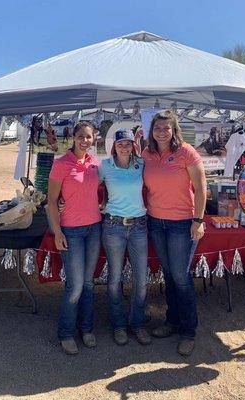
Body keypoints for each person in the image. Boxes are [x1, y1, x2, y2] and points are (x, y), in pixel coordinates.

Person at [142, 110, 207, 357]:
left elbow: (201, 189)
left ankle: (188, 332)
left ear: (174, 129)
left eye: (166, 128)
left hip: (182, 223)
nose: (161, 131)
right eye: (157, 127)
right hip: (156, 221)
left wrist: (198, 220)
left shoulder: (187, 152)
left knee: (181, 276)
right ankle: (172, 321)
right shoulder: (146, 153)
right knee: (169, 275)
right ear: (152, 130)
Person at [48, 121, 101, 355]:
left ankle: (87, 329)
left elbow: (102, 190)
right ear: (73, 138)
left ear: (94, 138)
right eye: (81, 136)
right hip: (71, 231)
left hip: (94, 229)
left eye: (88, 137)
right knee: (75, 285)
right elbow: (51, 201)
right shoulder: (61, 164)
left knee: (89, 283)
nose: (84, 140)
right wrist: (57, 231)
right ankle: (66, 333)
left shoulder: (96, 163)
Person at [99, 129, 151, 346]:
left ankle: (137, 324)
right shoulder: (105, 166)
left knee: (141, 280)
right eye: (120, 143)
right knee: (114, 279)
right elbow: (85, 186)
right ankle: (119, 325)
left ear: (133, 145)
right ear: (114, 145)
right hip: (113, 226)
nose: (124, 147)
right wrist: (62, 200)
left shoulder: (141, 164)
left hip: (139, 225)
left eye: (128, 143)